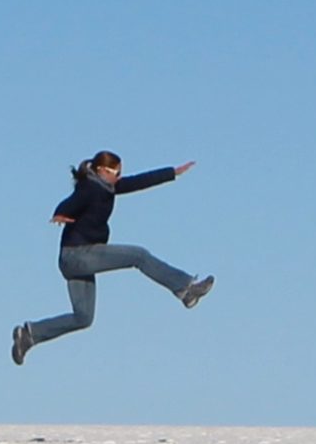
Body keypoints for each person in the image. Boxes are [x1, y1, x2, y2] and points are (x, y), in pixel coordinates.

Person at [11, 150, 214, 365]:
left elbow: (138, 181)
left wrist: (172, 173)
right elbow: (72, 201)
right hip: (78, 255)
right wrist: (59, 213)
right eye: (113, 172)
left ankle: (29, 335)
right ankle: (186, 289)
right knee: (139, 255)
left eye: (119, 172)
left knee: (83, 318)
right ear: (100, 170)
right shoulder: (90, 188)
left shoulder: (107, 187)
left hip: (75, 261)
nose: (117, 177)